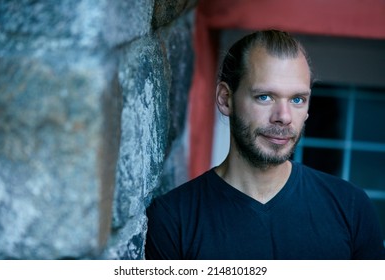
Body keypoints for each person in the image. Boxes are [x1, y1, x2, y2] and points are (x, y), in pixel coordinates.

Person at [145, 30, 385, 260]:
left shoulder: (351, 207)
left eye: (297, 99)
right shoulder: (174, 218)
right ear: (225, 99)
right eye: (265, 97)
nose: (284, 116)